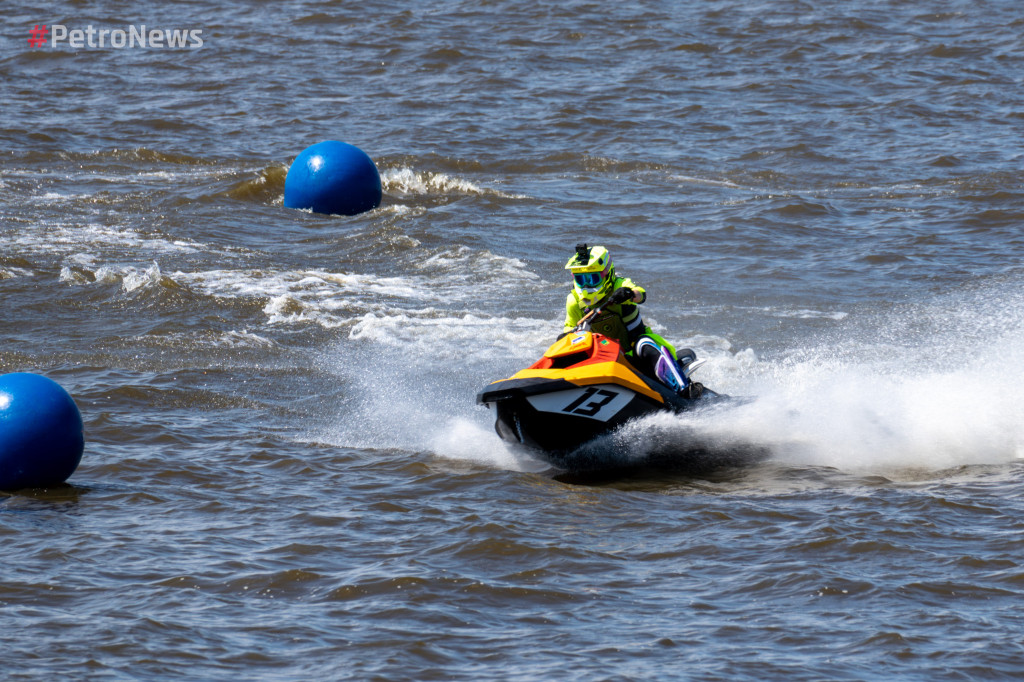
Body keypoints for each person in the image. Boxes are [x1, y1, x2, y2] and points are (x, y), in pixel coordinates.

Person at [562, 243, 697, 393]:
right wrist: (565, 336)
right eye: (581, 280)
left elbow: (641, 294)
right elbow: (569, 328)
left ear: (606, 274)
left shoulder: (619, 285)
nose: (587, 284)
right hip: (605, 356)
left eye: (592, 278)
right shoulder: (574, 301)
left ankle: (684, 389)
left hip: (635, 351)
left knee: (644, 343)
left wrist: (630, 294)